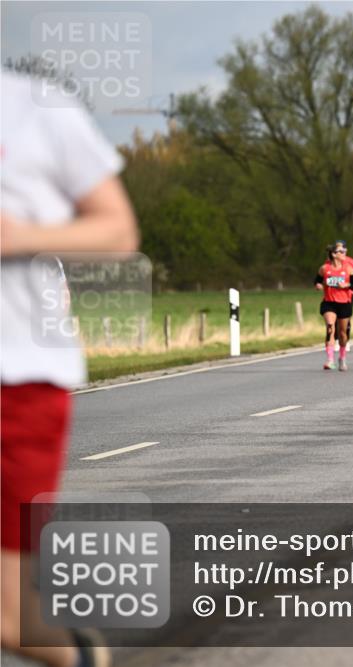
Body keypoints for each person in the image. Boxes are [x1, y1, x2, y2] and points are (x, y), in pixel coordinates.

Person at [2, 70, 140, 667]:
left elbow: (118, 231)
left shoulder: (35, 107)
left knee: (9, 621)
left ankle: (77, 659)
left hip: (19, 381)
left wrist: (17, 236)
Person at [314, 244, 353, 370]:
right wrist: (318, 285)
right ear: (334, 254)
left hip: (344, 303)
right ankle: (330, 359)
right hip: (329, 303)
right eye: (341, 251)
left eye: (344, 251)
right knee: (330, 327)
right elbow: (317, 280)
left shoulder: (349, 269)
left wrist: (346, 285)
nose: (344, 253)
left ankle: (342, 357)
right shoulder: (324, 269)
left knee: (343, 333)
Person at [332, 240, 353, 354]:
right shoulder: (329, 263)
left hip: (347, 295)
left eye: (343, 249)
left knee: (345, 319)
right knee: (333, 319)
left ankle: (346, 340)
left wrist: (350, 285)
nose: (341, 252)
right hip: (332, 296)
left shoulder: (351, 262)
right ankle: (336, 340)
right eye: (338, 250)